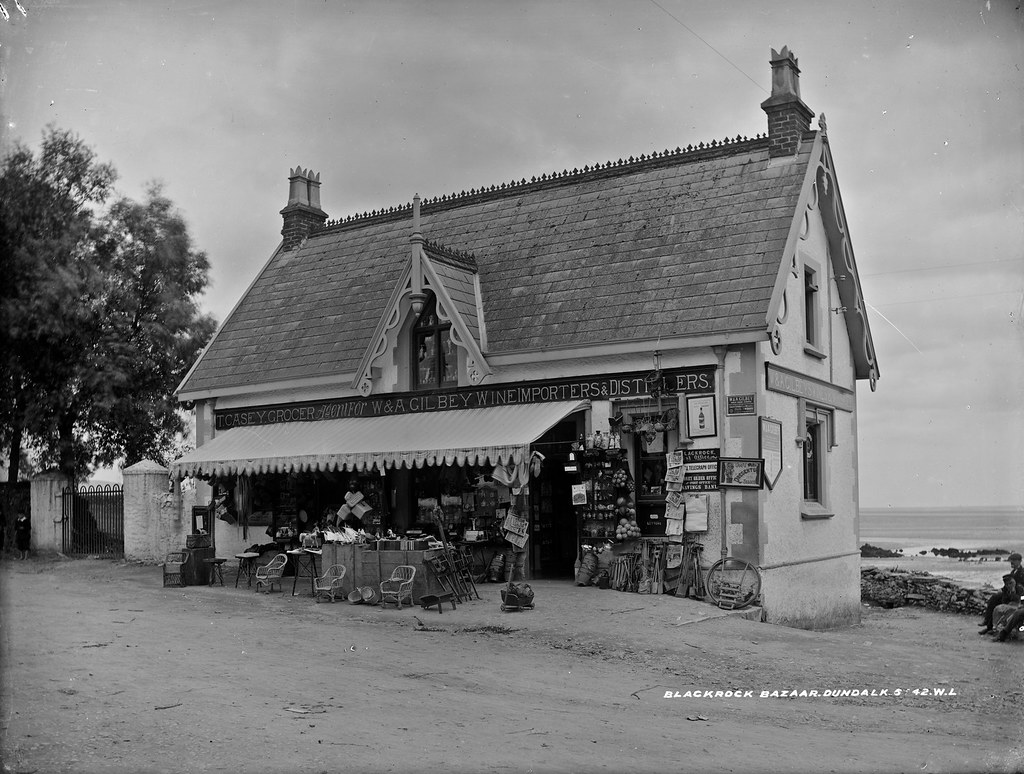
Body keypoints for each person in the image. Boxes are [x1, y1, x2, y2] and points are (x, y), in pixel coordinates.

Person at [979, 552, 1024, 634]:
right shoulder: (1013, 572)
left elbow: (1020, 587)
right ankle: (988, 623)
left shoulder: (1022, 573)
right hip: (1009, 593)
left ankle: (992, 627)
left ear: (1019, 561)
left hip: (1016, 596)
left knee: (999, 604)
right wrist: (1002, 590)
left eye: (1013, 560)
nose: (1011, 562)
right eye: (1011, 560)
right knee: (994, 598)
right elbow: (1007, 584)